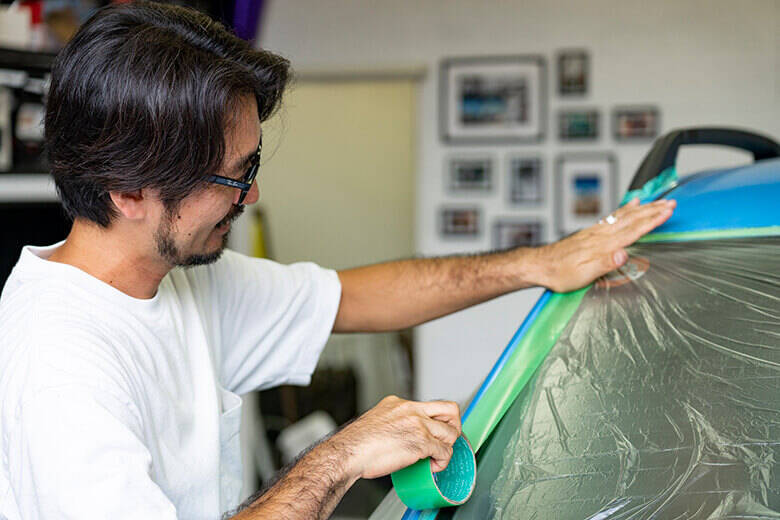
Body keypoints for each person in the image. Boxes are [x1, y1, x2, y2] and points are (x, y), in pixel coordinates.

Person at [0, 3, 676, 520]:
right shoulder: (60, 367)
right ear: (128, 191)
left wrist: (538, 265)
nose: (251, 196)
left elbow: (355, 297)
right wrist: (343, 455)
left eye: (252, 166)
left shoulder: (174, 282)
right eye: (233, 176)